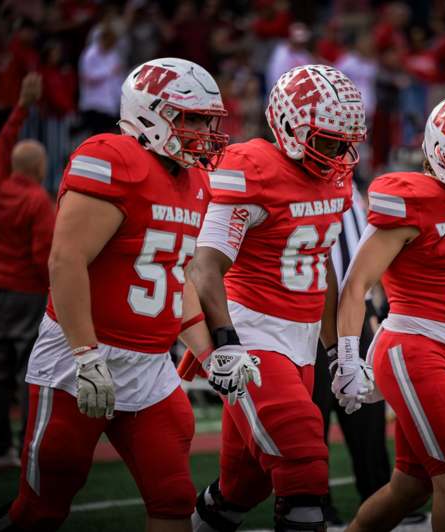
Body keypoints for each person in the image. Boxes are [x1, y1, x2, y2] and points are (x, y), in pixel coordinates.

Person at [0, 57, 229, 532]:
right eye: (191, 118)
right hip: (80, 360)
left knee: (174, 497)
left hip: (150, 365)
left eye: (207, 120)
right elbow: (65, 260)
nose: (203, 132)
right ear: (149, 113)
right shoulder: (112, 157)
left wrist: (208, 351)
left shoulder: (196, 181)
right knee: (42, 509)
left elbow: (174, 275)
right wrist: (86, 355)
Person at [184, 64, 366, 532]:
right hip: (253, 335)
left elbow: (318, 265)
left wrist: (336, 352)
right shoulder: (253, 170)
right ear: (288, 126)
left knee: (243, 487)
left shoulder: (333, 178)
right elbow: (205, 267)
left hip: (301, 344)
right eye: (327, 140)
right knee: (305, 465)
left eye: (345, 141)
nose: (339, 153)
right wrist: (225, 343)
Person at [335, 93, 445, 532]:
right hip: (412, 348)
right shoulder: (410, 201)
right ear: (444, 154)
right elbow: (355, 285)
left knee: (411, 485)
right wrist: (346, 359)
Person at [0, 73, 54, 468]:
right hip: (28, 294)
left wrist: (22, 106)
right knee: (31, 373)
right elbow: (45, 255)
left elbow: (0, 146)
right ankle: (30, 447)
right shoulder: (39, 202)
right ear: (40, 167)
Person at [310, 183, 392, 526]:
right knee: (314, 416)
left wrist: (378, 303)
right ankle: (314, 503)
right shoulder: (305, 183)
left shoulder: (357, 186)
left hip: (356, 314)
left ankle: (381, 498)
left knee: (368, 412)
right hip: (312, 319)